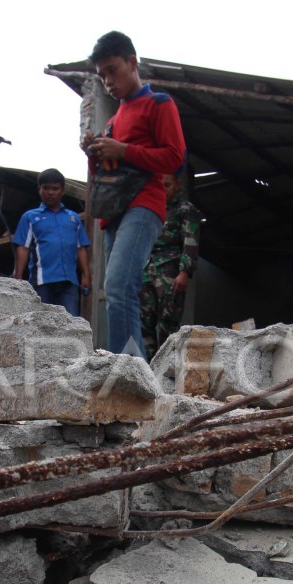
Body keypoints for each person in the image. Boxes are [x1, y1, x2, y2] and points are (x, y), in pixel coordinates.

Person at [83, 30, 186, 360]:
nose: (108, 81)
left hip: (144, 204)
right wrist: (93, 152)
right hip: (113, 213)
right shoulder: (113, 121)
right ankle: (136, 374)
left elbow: (175, 158)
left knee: (117, 287)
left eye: (112, 70)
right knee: (119, 291)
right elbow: (103, 176)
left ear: (132, 62)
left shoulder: (159, 103)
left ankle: (124, 372)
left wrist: (124, 150)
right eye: (102, 76)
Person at [11, 169, 91, 317]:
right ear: (39, 189)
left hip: (69, 283)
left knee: (70, 324)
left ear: (62, 191)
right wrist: (18, 277)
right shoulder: (30, 217)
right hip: (41, 282)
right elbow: (23, 248)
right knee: (41, 325)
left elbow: (81, 249)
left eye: (55, 189)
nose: (50, 192)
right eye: (46, 188)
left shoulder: (73, 218)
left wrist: (86, 276)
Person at [140, 173, 200, 356]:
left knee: (168, 324)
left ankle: (167, 370)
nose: (163, 189)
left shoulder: (185, 209)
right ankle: (147, 371)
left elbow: (190, 241)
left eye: (167, 185)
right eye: (160, 185)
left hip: (170, 271)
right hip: (145, 271)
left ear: (177, 185)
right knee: (144, 324)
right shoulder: (149, 209)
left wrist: (185, 272)